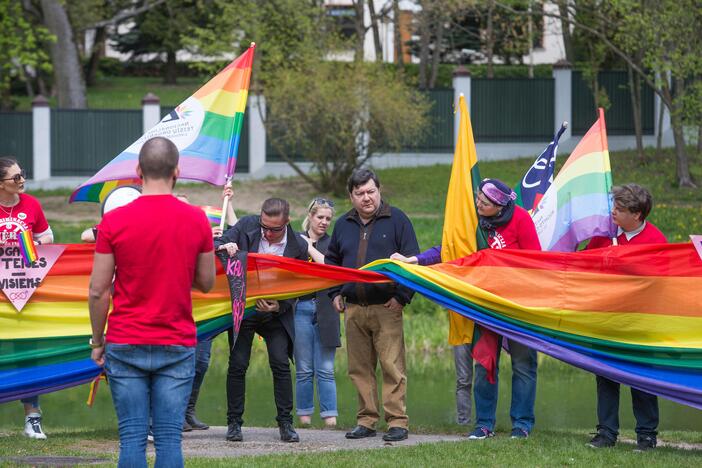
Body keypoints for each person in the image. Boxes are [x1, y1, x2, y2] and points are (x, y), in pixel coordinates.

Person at [88, 137, 216, 468]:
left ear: (137, 171)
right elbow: (206, 283)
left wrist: (98, 341)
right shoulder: (197, 220)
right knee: (169, 440)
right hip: (176, 340)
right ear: (177, 171)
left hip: (125, 339)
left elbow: (98, 290)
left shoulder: (113, 222)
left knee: (131, 438)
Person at [325, 169, 420, 442]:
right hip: (353, 308)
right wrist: (334, 292)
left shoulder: (398, 219)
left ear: (379, 190)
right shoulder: (343, 224)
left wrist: (402, 297)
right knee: (359, 368)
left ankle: (397, 422)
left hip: (387, 306)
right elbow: (332, 262)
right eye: (360, 193)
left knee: (392, 366)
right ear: (351, 196)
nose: (366, 198)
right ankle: (366, 421)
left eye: (371, 191)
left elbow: (413, 261)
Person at [215, 198, 309, 443]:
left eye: (274, 229)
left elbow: (300, 283)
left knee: (280, 364)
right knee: (237, 364)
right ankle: (234, 423)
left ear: (287, 222)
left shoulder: (298, 245)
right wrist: (227, 246)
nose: (267, 233)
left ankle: (286, 424)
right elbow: (218, 242)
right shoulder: (247, 225)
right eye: (264, 226)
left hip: (276, 314)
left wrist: (281, 305)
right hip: (245, 310)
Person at [586, 184, 666, 452]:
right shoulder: (603, 236)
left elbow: (663, 282)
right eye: (614, 207)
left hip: (641, 324)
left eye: (619, 209)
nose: (613, 213)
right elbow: (581, 266)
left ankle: (646, 436)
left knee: (641, 380)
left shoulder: (656, 241)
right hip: (606, 321)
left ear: (638, 215)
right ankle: (606, 433)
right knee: (606, 377)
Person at [468, 178, 541, 440]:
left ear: (499, 207)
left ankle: (521, 424)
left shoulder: (520, 219)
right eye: (478, 198)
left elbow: (536, 261)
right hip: (486, 305)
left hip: (518, 305)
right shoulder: (475, 221)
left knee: (523, 364)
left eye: (484, 202)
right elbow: (454, 248)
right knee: (484, 364)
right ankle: (484, 424)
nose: (478, 204)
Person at [0, 157, 54, 440]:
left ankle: (32, 417)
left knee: (27, 352)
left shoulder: (31, 204)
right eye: (15, 177)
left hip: (22, 290)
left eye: (23, 175)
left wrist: (25, 243)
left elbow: (48, 238)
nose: (22, 181)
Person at [391, 246, 473, 427]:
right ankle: (464, 423)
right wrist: (412, 260)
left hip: (487, 319)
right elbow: (439, 251)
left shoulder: (486, 240)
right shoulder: (456, 243)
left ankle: (485, 422)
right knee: (463, 378)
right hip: (461, 321)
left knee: (486, 374)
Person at [295, 198, 340, 427]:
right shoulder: (294, 240)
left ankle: (330, 417)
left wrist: (309, 247)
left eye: (328, 219)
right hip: (300, 308)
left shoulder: (333, 244)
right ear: (310, 216)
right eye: (320, 217)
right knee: (303, 368)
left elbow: (331, 266)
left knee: (326, 369)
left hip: (327, 309)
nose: (324, 222)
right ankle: (304, 417)